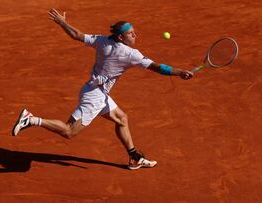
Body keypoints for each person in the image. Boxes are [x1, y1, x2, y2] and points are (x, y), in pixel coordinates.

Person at [12, 8, 193, 170]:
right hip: (94, 97)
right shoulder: (131, 54)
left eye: (134, 32)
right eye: (131, 33)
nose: (135, 35)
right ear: (121, 37)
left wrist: (62, 22)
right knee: (69, 131)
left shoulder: (102, 41)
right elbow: (157, 67)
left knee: (121, 118)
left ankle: (134, 157)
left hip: (95, 91)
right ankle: (32, 119)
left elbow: (76, 34)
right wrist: (178, 73)